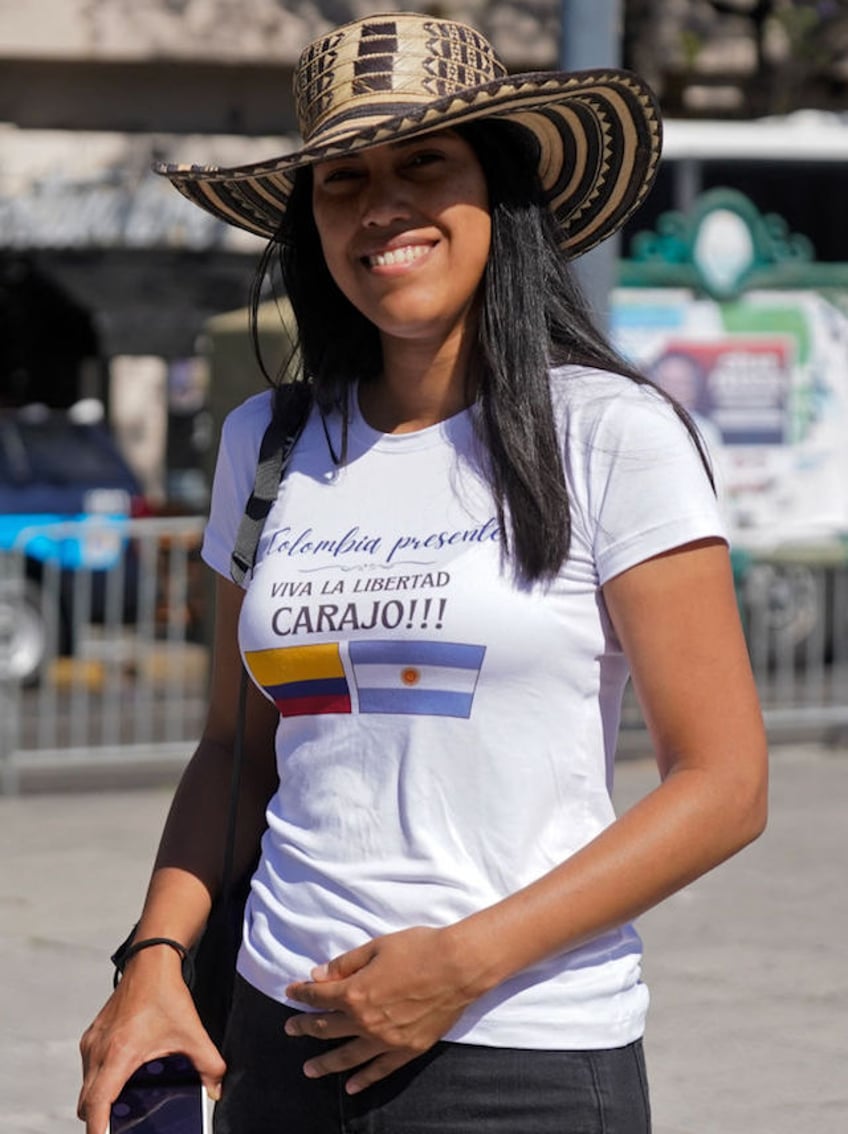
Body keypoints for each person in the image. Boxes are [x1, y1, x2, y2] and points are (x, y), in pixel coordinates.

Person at [78, 13, 768, 1134]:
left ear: (496, 190)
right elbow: (232, 748)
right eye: (342, 179)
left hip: (522, 1058)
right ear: (310, 220)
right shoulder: (266, 441)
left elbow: (724, 783)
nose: (381, 206)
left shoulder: (607, 433)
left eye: (422, 165)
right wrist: (155, 958)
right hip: (275, 1038)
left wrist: (460, 965)